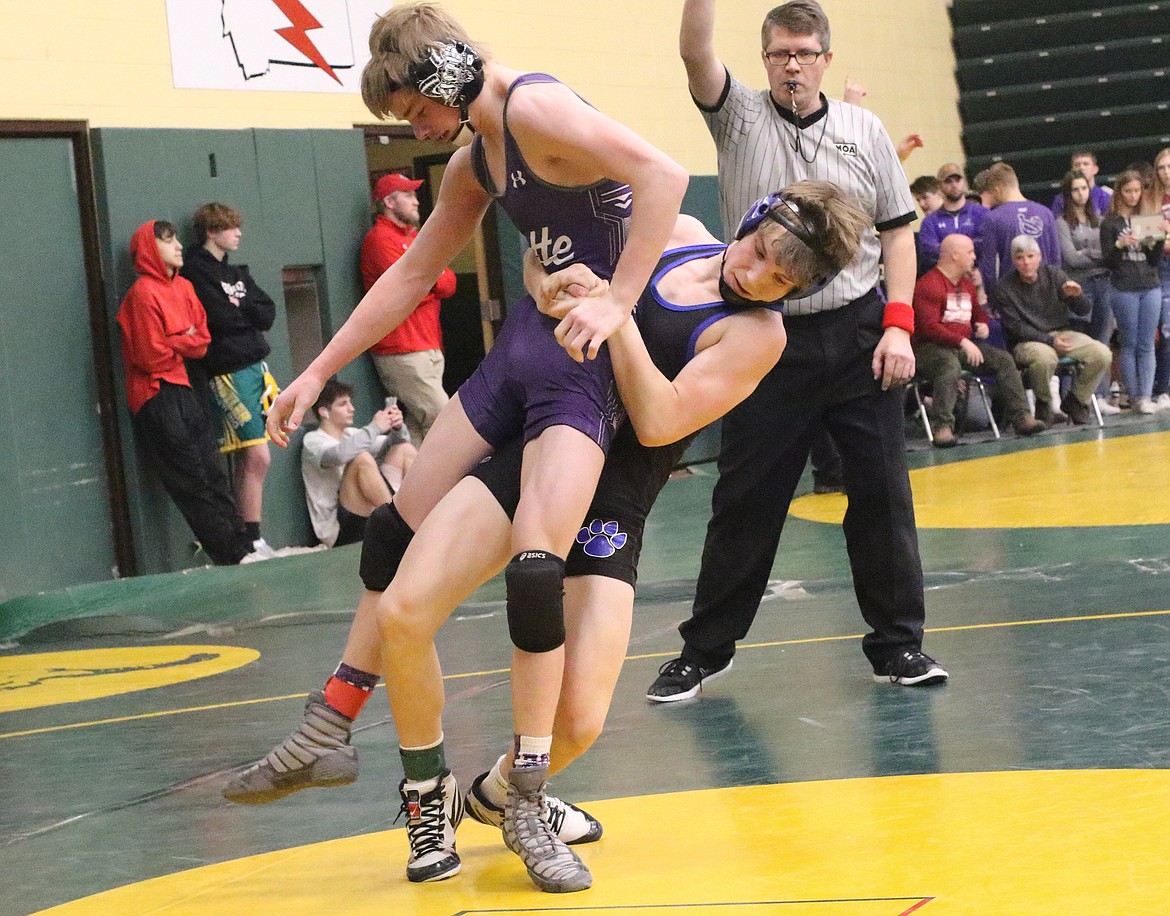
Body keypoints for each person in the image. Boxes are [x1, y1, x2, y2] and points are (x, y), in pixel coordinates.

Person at [226, 182, 868, 892]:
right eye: (758, 255)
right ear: (748, 223)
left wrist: (616, 310)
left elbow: (658, 422)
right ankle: (427, 794)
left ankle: (505, 795)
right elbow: (541, 266)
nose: (756, 277)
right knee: (404, 606)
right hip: (537, 455)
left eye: (781, 281)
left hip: (612, 498)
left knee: (583, 720)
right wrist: (549, 281)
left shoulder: (758, 334)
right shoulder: (674, 230)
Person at [260, 1, 688, 894]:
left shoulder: (532, 108)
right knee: (389, 539)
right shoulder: (475, 155)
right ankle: (335, 718)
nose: (416, 128)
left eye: (417, 107)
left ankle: (525, 794)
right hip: (522, 355)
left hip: (582, 370)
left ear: (449, 72)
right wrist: (315, 372)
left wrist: (616, 299)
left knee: (535, 575)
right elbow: (412, 273)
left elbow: (666, 172)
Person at [644, 0, 947, 704]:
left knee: (880, 495)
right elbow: (694, 54)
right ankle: (704, 651)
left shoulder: (862, 128)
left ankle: (899, 645)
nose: (792, 64)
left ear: (825, 61)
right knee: (746, 498)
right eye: (780, 52)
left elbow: (899, 232)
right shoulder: (740, 115)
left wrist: (899, 324)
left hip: (858, 333)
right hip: (760, 334)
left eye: (805, 53)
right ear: (765, 59)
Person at [116, 220, 253, 566]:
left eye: (177, 238)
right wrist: (183, 338)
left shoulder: (186, 288)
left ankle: (243, 546)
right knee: (191, 478)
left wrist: (174, 338)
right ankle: (231, 554)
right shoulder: (143, 293)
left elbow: (203, 342)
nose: (178, 245)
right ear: (149, 250)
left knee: (212, 471)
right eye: (167, 241)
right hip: (155, 395)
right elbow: (150, 356)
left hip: (183, 389)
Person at [181, 202, 278, 556]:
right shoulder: (195, 271)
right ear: (211, 231)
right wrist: (242, 312)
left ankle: (250, 533)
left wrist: (242, 311)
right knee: (257, 455)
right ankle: (249, 534)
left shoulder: (236, 272)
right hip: (226, 370)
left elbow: (266, 312)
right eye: (230, 227)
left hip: (256, 367)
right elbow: (218, 318)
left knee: (255, 453)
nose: (237, 233)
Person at [912, 234, 1045, 446]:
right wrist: (962, 342)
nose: (974, 257)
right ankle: (942, 427)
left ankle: (1022, 417)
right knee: (948, 365)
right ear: (955, 255)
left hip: (960, 347)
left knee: (1002, 359)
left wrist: (981, 323)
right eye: (970, 252)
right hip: (929, 349)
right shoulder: (928, 285)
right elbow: (929, 328)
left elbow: (976, 313)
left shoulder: (966, 284)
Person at [362, 172, 457, 442]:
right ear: (389, 203)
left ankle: (414, 484)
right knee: (443, 419)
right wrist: (428, 281)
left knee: (418, 429)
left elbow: (448, 283)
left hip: (427, 343)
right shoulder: (380, 239)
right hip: (401, 348)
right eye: (408, 195)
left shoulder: (415, 238)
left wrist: (427, 280)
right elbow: (412, 289)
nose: (416, 201)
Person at [992, 234, 1111, 425]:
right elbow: (1015, 327)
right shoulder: (1004, 287)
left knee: (1102, 353)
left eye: (1031, 256)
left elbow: (1083, 309)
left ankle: (1076, 400)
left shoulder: (1054, 274)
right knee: (1045, 358)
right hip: (1027, 341)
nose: (1026, 263)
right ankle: (1044, 404)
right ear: (1014, 261)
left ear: (1039, 257)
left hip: (1061, 333)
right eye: (1020, 258)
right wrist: (1049, 341)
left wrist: (1078, 296)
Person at [301, 379, 416, 548]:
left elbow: (393, 444)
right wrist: (375, 427)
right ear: (324, 412)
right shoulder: (313, 440)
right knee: (361, 458)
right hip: (340, 530)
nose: (351, 408)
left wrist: (398, 427)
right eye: (343, 404)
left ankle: (420, 518)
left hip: (368, 514)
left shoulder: (351, 434)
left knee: (404, 449)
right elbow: (340, 455)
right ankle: (400, 527)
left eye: (350, 403)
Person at [1100, 169, 1168, 415]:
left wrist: (1159, 238)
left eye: (1137, 191)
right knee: (1129, 343)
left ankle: (1146, 396)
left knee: (1147, 342)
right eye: (1128, 191)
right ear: (1120, 192)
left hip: (1150, 284)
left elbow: (1153, 260)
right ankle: (1135, 394)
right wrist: (1120, 244)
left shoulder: (1146, 219)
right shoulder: (1110, 222)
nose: (1133, 196)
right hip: (1124, 287)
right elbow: (1109, 260)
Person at [1056, 169, 1119, 409]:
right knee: (1077, 343)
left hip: (1104, 284)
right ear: (1068, 193)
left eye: (1084, 188)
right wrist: (1097, 254)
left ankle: (1099, 397)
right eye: (1075, 189)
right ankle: (1069, 397)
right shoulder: (1061, 223)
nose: (1081, 194)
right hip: (1079, 288)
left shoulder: (1100, 220)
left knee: (1102, 341)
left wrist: (1088, 253)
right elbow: (1071, 258)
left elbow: (1110, 254)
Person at [973, 162, 1061, 289]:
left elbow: (989, 266)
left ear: (997, 190)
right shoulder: (1046, 213)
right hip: (1046, 291)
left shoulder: (993, 218)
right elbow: (1056, 258)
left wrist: (992, 297)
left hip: (1012, 296)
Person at [918, 163, 988, 268]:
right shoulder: (929, 222)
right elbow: (931, 254)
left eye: (957, 180)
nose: (954, 185)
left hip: (978, 276)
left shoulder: (982, 213)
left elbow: (987, 245)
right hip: (946, 280)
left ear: (964, 182)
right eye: (948, 181)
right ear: (939, 186)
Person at [1148, 148, 1170, 408]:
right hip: (1162, 266)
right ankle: (1163, 389)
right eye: (1161, 167)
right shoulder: (1152, 200)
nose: (1165, 172)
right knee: (1166, 331)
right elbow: (1150, 236)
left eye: (1169, 166)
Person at [1051, 150, 1112, 216]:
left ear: (1095, 169)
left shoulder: (1105, 197)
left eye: (1086, 164)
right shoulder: (1061, 200)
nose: (1081, 168)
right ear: (1072, 170)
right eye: (1077, 165)